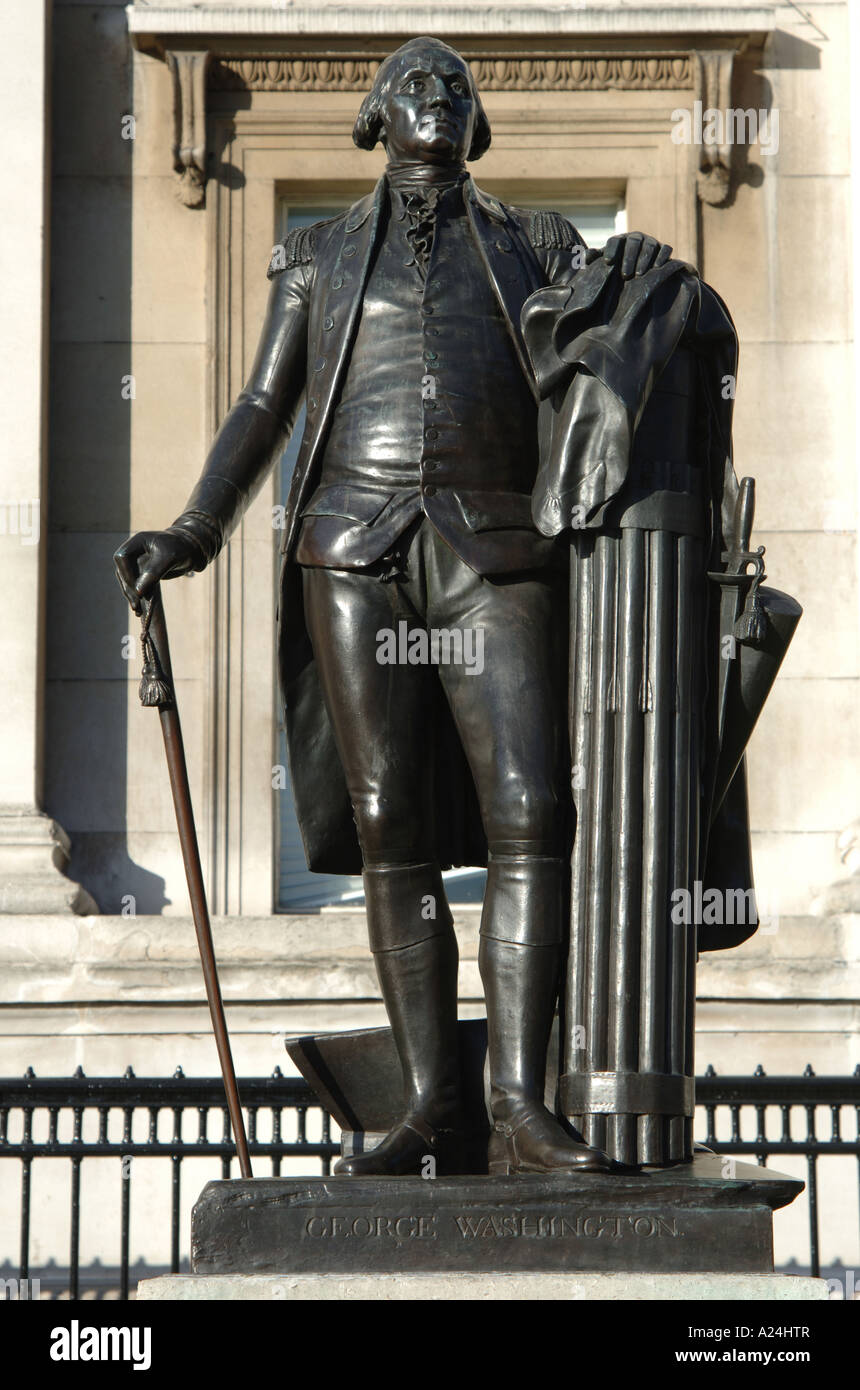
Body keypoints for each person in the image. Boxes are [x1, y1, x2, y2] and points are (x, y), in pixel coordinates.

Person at [115, 37, 671, 1177]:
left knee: (531, 808)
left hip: (495, 545)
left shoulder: (537, 244)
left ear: (477, 126)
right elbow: (262, 406)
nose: (435, 97)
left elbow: (635, 319)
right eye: (412, 84)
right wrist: (196, 528)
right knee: (388, 827)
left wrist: (656, 301)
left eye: (454, 87)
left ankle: (519, 1098)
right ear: (372, 117)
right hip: (351, 548)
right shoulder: (315, 255)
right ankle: (432, 1102)